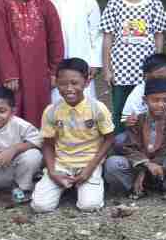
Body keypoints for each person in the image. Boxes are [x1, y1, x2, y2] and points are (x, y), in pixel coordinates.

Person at [0, 0, 65, 125]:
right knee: (10, 110)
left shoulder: (45, 5)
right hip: (11, 76)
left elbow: (56, 41)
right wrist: (9, 74)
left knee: (39, 112)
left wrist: (54, 72)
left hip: (39, 74)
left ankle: (36, 147)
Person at [31, 59, 114, 213]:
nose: (69, 89)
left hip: (88, 163)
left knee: (89, 206)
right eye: (63, 83)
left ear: (87, 82)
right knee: (40, 206)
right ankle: (66, 186)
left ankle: (81, 185)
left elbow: (109, 139)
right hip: (62, 164)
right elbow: (48, 144)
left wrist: (90, 168)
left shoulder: (97, 108)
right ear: (56, 82)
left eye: (75, 83)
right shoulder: (51, 110)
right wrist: (52, 172)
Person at [101, 0, 166, 130]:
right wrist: (107, 68)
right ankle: (119, 141)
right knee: (120, 109)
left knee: (147, 107)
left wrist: (158, 66)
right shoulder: (114, 5)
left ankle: (145, 140)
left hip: (146, 69)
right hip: (121, 69)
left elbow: (159, 35)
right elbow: (107, 39)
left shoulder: (154, 4)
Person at [103, 78, 166, 198]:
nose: (161, 105)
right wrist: (146, 165)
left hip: (161, 169)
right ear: (145, 100)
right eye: (155, 100)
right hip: (139, 167)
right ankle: (135, 189)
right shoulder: (137, 120)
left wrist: (148, 167)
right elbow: (130, 148)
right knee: (112, 163)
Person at [44, 0, 102, 102]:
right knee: (56, 106)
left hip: (83, 61)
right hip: (55, 66)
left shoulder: (87, 0)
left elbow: (96, 34)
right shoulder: (45, 1)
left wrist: (94, 63)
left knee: (85, 105)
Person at [119, 54, 166, 125]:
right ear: (144, 76)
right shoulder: (138, 90)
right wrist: (130, 121)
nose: (157, 82)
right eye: (152, 79)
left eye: (161, 78)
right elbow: (126, 119)